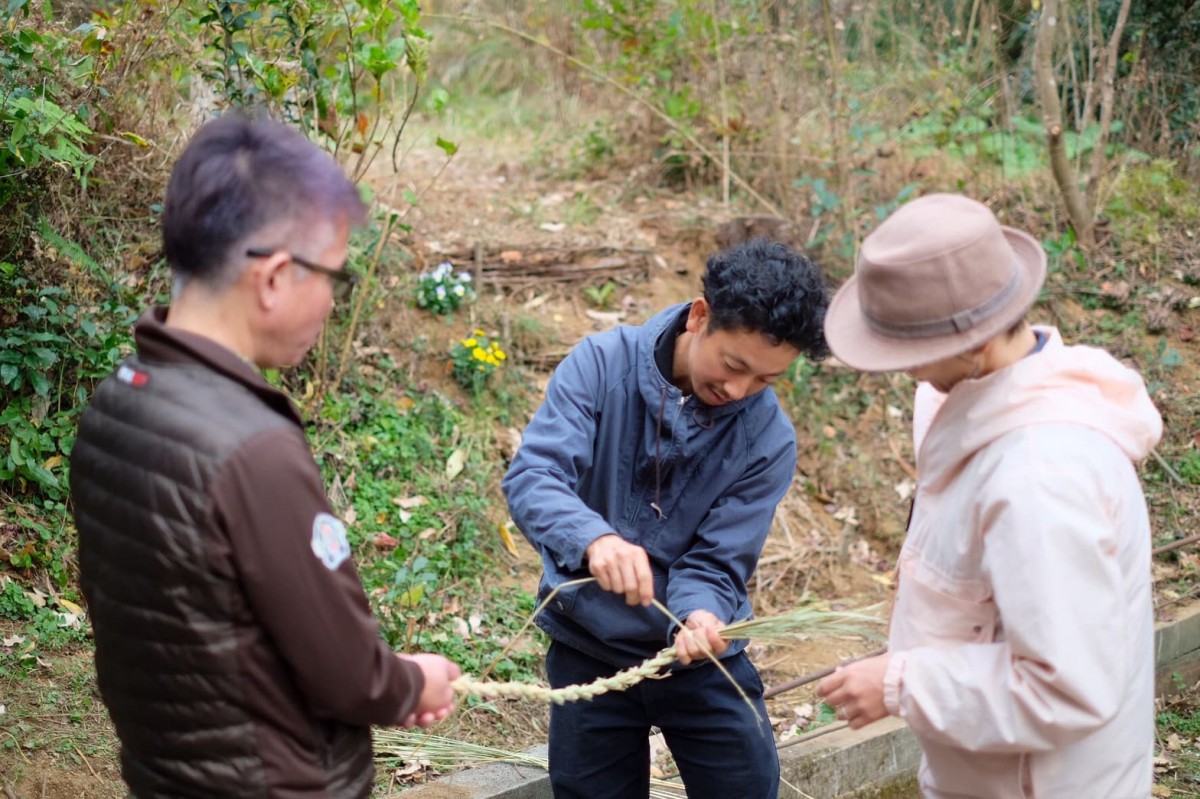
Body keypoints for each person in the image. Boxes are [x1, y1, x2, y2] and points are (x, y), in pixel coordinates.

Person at [69, 114, 461, 799]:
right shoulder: (253, 450)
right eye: (332, 278)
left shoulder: (118, 400)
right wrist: (412, 680)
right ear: (276, 277)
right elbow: (351, 674)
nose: (331, 303)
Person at [817, 193, 1161, 798]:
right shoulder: (989, 396)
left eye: (909, 353)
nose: (904, 371)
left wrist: (899, 682)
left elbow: (1066, 686)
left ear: (974, 343)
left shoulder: (1040, 479)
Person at [503, 239, 830, 799]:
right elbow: (535, 476)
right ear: (700, 316)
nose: (738, 391)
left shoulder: (767, 440)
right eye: (734, 365)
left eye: (764, 381)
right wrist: (594, 539)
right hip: (590, 649)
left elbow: (718, 559)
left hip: (699, 661)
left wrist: (700, 615)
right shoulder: (601, 365)